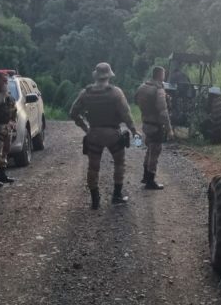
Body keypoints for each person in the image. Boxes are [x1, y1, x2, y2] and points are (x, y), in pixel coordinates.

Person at [69, 62, 138, 209]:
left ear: (96, 75)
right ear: (109, 75)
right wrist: (134, 130)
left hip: (93, 134)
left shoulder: (86, 93)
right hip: (113, 134)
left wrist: (85, 127)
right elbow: (126, 115)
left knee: (93, 167)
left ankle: (95, 199)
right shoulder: (116, 93)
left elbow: (73, 113)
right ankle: (116, 195)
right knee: (119, 163)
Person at [135, 66, 174, 190]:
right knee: (155, 152)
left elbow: (136, 101)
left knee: (149, 150)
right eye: (163, 74)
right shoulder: (158, 90)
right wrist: (169, 130)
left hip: (146, 123)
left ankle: (145, 176)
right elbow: (163, 112)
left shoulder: (143, 87)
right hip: (156, 126)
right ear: (160, 75)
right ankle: (150, 181)